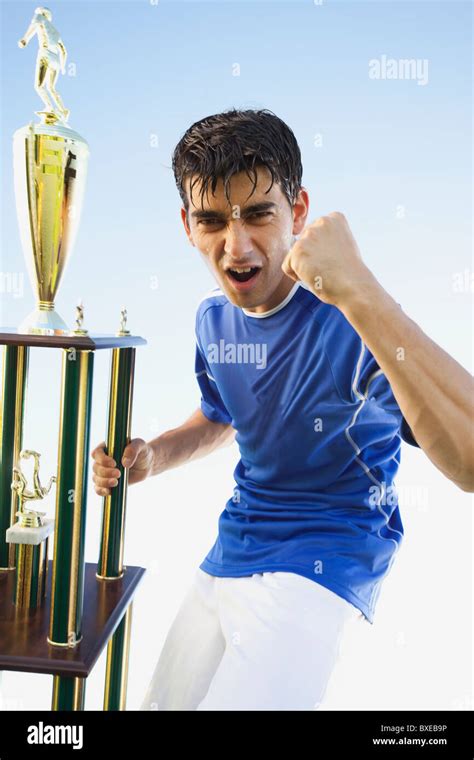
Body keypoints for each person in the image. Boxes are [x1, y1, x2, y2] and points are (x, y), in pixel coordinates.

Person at [91, 108, 474, 710]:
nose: (235, 246)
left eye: (259, 215)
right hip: (234, 543)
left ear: (298, 212)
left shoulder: (352, 319)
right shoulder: (212, 320)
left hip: (325, 556)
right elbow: (220, 416)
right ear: (186, 226)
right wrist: (153, 457)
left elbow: (470, 457)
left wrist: (360, 288)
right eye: (211, 220)